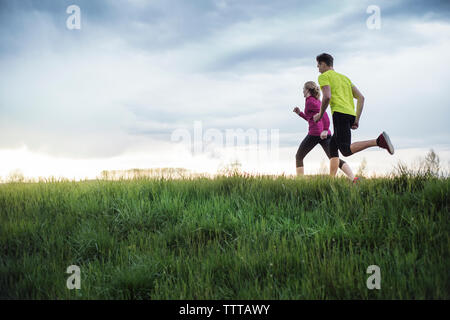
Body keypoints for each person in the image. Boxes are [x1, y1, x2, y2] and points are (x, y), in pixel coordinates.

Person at [313, 53, 394, 177]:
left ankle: (378, 141)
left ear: (324, 64)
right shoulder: (345, 78)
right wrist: (356, 119)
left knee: (345, 150)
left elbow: (327, 96)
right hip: (350, 114)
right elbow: (361, 97)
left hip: (339, 114)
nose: (318, 68)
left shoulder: (324, 77)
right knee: (333, 146)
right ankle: (330, 181)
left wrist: (319, 115)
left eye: (318, 65)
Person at [293, 81, 356, 181]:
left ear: (308, 90)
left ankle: (300, 182)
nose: (302, 91)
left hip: (316, 133)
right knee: (333, 158)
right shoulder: (315, 100)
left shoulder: (311, 101)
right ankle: (353, 179)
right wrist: (300, 113)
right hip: (322, 134)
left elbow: (325, 115)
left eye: (303, 89)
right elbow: (311, 119)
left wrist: (325, 129)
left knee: (299, 156)